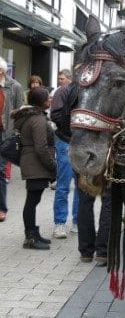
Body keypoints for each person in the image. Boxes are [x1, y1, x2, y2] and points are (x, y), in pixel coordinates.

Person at [52, 81, 111, 263]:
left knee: (85, 199)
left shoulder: (69, 90)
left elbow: (57, 116)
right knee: (109, 200)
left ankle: (86, 251)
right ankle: (103, 251)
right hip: (107, 150)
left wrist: (71, 136)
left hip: (81, 150)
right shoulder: (106, 88)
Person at [11, 87, 56, 249]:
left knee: (34, 200)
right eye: (48, 99)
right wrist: (53, 166)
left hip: (32, 163)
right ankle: (30, 238)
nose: (50, 100)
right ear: (41, 102)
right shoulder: (37, 119)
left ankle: (33, 233)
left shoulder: (33, 116)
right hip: (35, 164)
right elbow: (41, 147)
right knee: (32, 201)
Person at [50, 71, 79, 238]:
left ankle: (77, 221)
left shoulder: (88, 90)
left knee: (82, 186)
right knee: (63, 185)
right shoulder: (64, 91)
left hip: (80, 142)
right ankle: (60, 223)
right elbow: (55, 114)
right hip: (66, 141)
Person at [0, 56, 24, 222]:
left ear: (2, 71)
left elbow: (20, 113)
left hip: (4, 135)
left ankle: (2, 208)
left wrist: (15, 133)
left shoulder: (14, 87)